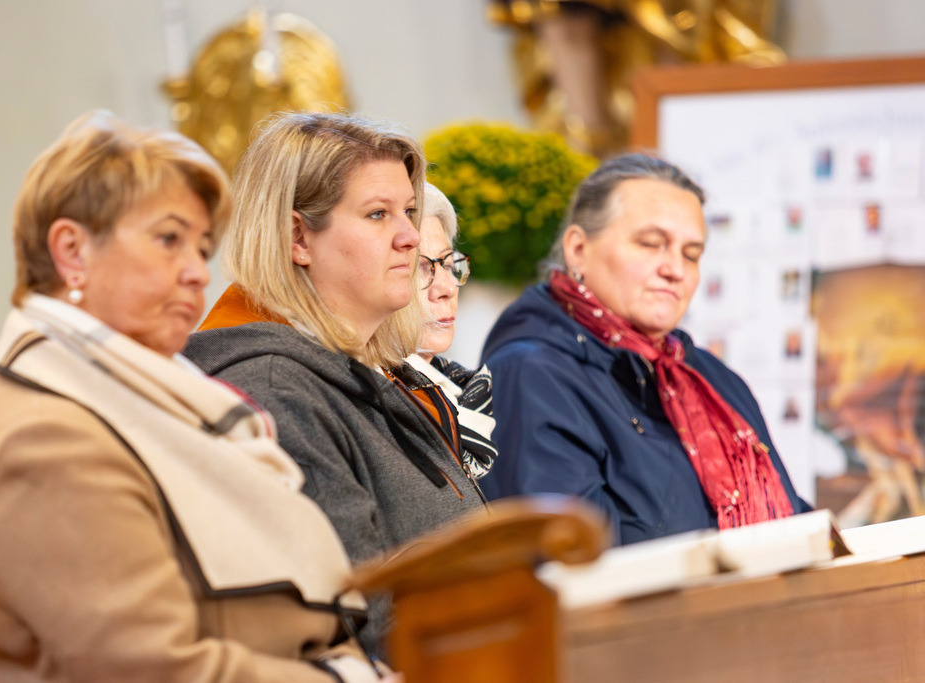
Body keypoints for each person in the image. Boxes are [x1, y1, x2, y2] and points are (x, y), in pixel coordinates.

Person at [0, 111, 384, 682]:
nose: (198, 272)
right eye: (169, 239)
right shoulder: (46, 438)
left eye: (201, 248)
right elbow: (149, 670)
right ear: (73, 251)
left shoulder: (137, 399)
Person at [184, 112, 484, 651]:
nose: (412, 237)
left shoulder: (361, 368)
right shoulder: (275, 391)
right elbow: (358, 615)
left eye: (409, 212)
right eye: (378, 214)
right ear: (299, 237)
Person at [480, 153, 810, 545]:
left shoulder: (711, 379)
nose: (675, 269)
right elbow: (574, 566)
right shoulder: (530, 373)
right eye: (651, 244)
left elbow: (792, 517)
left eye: (691, 254)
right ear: (578, 250)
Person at [404, 183, 498, 482]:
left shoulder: (459, 390)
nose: (446, 288)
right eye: (419, 267)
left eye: (447, 264)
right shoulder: (380, 403)